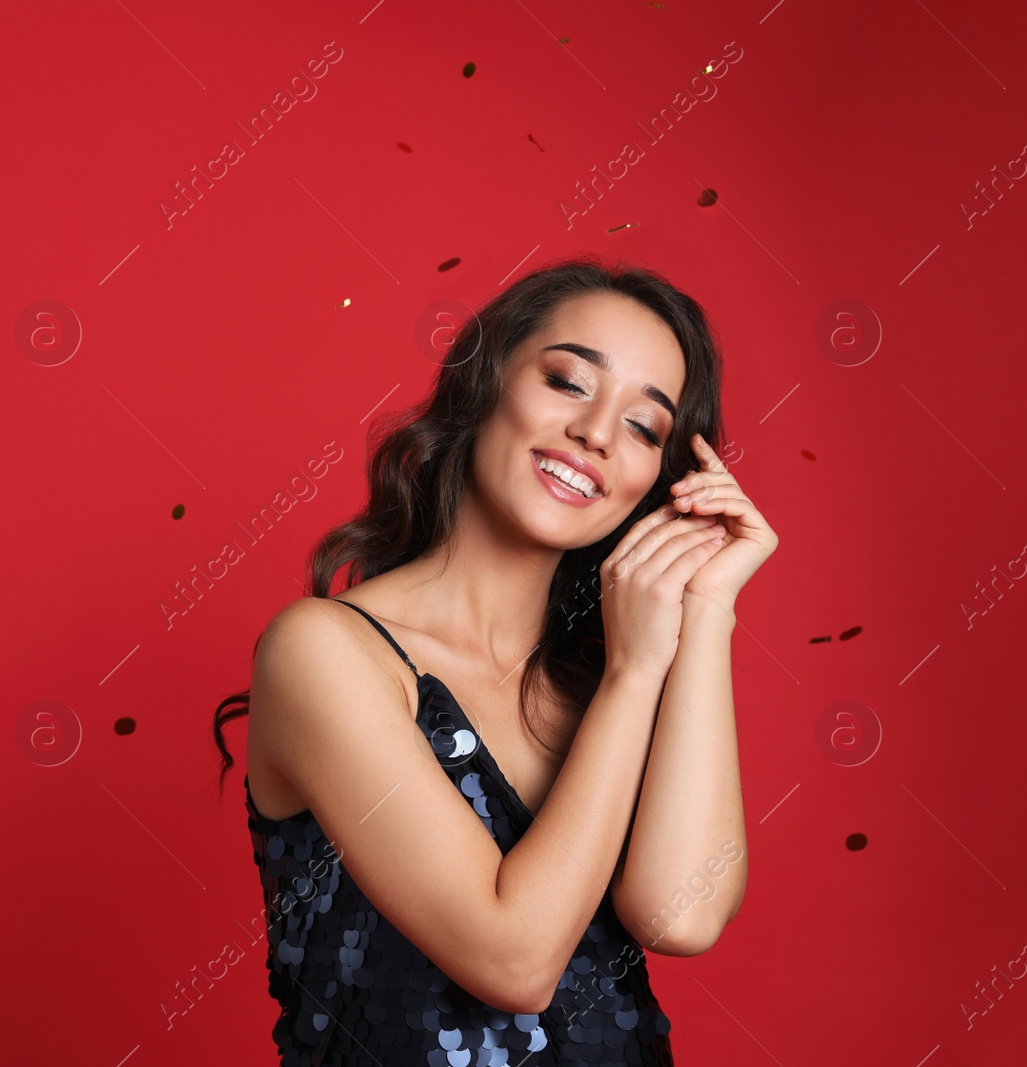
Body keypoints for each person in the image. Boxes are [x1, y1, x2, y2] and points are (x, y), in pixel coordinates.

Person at [211, 256, 779, 1065]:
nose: (595, 433)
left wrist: (706, 605)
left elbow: (679, 915)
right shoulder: (327, 652)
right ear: (484, 384)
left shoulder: (610, 676)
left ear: (661, 482)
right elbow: (513, 958)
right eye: (568, 381)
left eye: (644, 427)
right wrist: (631, 675)